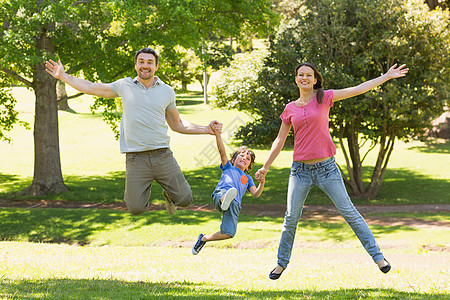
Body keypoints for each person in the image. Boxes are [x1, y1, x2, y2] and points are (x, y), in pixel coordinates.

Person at [255, 62, 409, 279]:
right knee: (291, 217)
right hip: (300, 171)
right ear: (296, 79)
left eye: (309, 75)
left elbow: (357, 89)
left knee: (349, 212)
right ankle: (281, 264)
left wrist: (385, 77)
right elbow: (279, 140)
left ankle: (378, 257)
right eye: (301, 75)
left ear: (315, 80)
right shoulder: (290, 108)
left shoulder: (324, 98)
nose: (305, 78)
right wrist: (265, 166)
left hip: (327, 169)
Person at [45, 47, 222, 215]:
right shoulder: (124, 86)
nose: (145, 65)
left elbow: (178, 124)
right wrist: (63, 76)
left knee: (184, 199)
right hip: (136, 158)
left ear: (156, 66)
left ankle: (169, 194)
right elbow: (90, 87)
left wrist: (206, 129)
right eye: (141, 61)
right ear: (136, 65)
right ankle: (148, 192)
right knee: (135, 208)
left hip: (162, 155)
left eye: (150, 62)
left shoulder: (167, 91)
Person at [192, 123, 265, 255]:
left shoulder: (248, 179)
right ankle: (225, 198)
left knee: (229, 233)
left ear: (249, 166)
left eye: (248, 158)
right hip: (220, 195)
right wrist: (217, 135)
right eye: (242, 156)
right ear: (233, 158)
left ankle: (204, 238)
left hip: (235, 205)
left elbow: (256, 194)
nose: (244, 158)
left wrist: (262, 182)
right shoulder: (228, 167)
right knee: (226, 194)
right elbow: (222, 151)